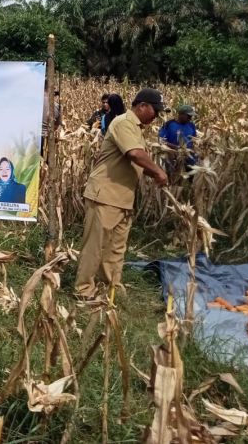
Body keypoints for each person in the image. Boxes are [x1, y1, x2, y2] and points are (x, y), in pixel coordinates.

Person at [74, 88, 169, 300]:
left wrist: (154, 173)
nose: (156, 116)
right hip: (105, 195)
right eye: (155, 111)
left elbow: (135, 160)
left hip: (122, 198)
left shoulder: (136, 128)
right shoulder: (124, 123)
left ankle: (110, 287)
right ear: (142, 106)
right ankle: (83, 290)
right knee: (96, 246)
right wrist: (158, 171)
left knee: (115, 248)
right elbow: (134, 153)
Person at [159, 105, 199, 173]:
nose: (190, 118)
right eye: (189, 116)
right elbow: (161, 140)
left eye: (191, 116)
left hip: (189, 158)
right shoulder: (169, 124)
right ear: (181, 114)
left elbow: (194, 140)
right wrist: (175, 148)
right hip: (172, 158)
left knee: (189, 176)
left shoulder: (191, 125)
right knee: (172, 176)